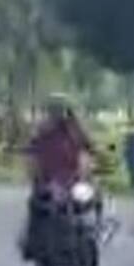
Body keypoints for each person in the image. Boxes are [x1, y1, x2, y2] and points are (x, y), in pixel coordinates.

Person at [23, 93, 94, 251]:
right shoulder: (42, 132)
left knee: (92, 198)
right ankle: (34, 243)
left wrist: (88, 171)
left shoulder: (75, 131)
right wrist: (35, 175)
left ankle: (88, 233)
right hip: (48, 182)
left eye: (61, 110)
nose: (58, 114)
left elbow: (88, 151)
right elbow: (31, 155)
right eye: (54, 110)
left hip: (74, 182)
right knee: (37, 204)